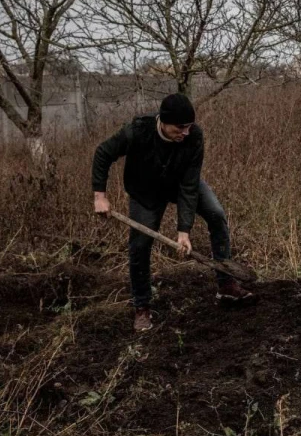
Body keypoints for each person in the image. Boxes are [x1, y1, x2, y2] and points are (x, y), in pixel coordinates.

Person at [91, 93, 254, 332]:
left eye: (189, 126)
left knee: (217, 214)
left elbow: (189, 185)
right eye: (180, 127)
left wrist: (183, 231)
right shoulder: (137, 131)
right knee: (140, 244)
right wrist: (99, 196)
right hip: (146, 192)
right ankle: (142, 306)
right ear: (163, 121)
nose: (186, 132)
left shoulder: (194, 137)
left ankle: (226, 284)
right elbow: (103, 153)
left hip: (180, 183)